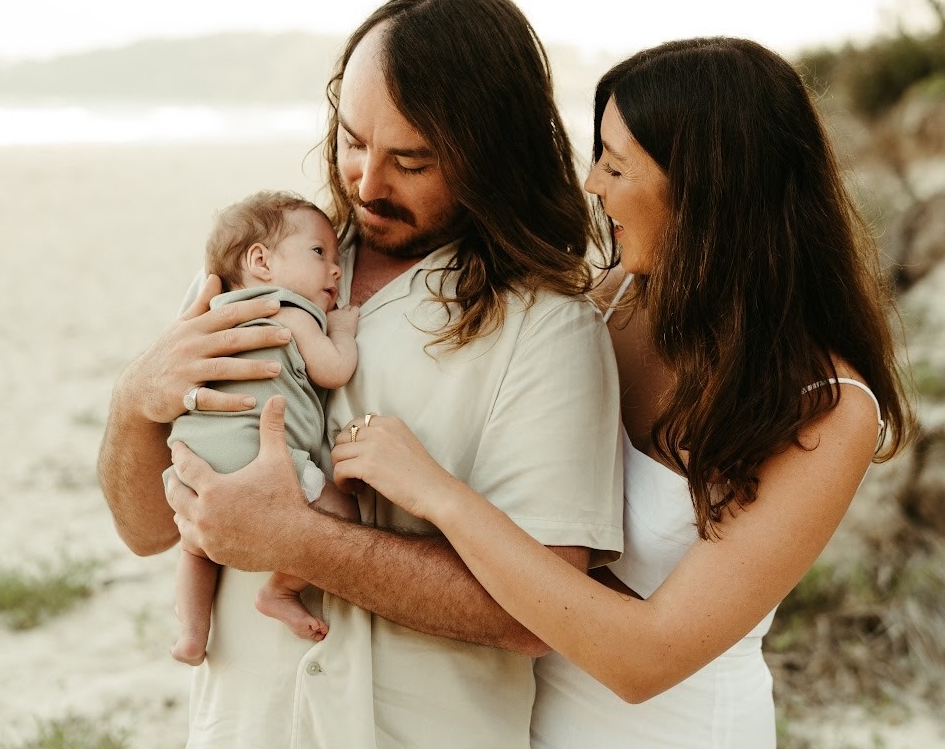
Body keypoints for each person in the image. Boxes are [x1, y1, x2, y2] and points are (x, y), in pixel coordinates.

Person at [327, 37, 913, 748]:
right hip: (522, 724)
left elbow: (645, 658)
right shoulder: (601, 309)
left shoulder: (826, 407)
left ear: (706, 188)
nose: (593, 186)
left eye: (616, 164)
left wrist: (440, 497)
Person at [97, 0, 624, 749]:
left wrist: (299, 541)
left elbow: (540, 616)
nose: (367, 184)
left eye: (410, 160)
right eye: (351, 141)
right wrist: (131, 402)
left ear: (490, 157)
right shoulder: (268, 274)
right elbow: (144, 529)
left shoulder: (547, 330)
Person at [166, 190, 361, 666]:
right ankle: (279, 591)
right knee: (345, 517)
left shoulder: (215, 317)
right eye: (319, 253)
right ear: (261, 261)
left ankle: (192, 635)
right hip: (258, 454)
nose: (335, 270)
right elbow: (333, 370)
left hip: (193, 451)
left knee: (194, 545)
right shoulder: (292, 311)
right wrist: (342, 332)